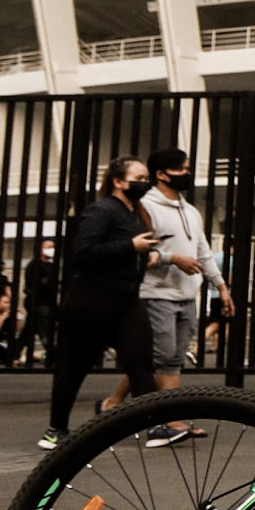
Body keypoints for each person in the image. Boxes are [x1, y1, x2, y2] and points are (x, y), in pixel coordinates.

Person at [42, 157, 164, 451]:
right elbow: (83, 252)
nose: (144, 183)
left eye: (146, 178)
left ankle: (156, 426)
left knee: (141, 362)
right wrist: (131, 246)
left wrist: (146, 255)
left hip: (127, 299)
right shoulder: (102, 210)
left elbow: (124, 252)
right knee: (74, 367)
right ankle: (55, 430)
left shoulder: (136, 212)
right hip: (92, 300)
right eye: (138, 178)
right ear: (118, 181)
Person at [123, 145, 234, 438]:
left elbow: (203, 251)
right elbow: (142, 252)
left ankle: (114, 404)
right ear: (161, 174)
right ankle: (171, 421)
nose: (186, 173)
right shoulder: (145, 206)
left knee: (160, 358)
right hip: (156, 293)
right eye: (180, 169)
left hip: (187, 294)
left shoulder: (190, 211)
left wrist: (221, 286)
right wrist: (173, 259)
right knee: (167, 359)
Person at [17, 236, 60, 365]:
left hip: (49, 302)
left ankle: (13, 353)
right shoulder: (34, 265)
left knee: (29, 331)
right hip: (39, 302)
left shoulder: (51, 265)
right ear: (41, 249)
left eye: (53, 247)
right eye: (49, 247)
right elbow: (34, 285)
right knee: (45, 330)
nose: (52, 249)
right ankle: (54, 355)